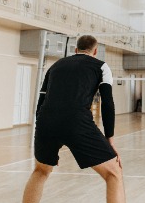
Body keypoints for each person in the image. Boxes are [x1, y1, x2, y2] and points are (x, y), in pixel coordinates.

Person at [22, 35, 125, 203]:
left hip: (46, 121)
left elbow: (41, 102)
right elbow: (107, 103)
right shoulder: (101, 66)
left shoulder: (55, 66)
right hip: (77, 121)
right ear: (95, 51)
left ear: (75, 50)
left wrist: (42, 129)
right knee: (114, 172)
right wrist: (110, 139)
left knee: (40, 171)